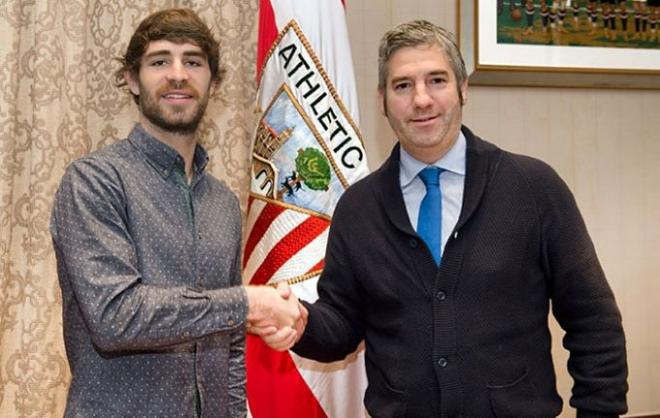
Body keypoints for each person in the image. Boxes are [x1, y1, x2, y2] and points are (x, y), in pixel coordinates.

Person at [285, 19, 628, 417]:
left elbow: (593, 319)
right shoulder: (358, 208)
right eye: (402, 85)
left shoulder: (534, 188)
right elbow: (342, 324)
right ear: (382, 99)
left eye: (437, 80)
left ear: (463, 88)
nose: (421, 100)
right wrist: (300, 323)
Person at [50, 8, 301, 418]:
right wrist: (247, 303)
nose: (178, 74)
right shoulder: (94, 181)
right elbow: (116, 317)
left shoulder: (222, 203)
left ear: (213, 82)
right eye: (160, 60)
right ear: (132, 79)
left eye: (193, 61)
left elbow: (230, 347)